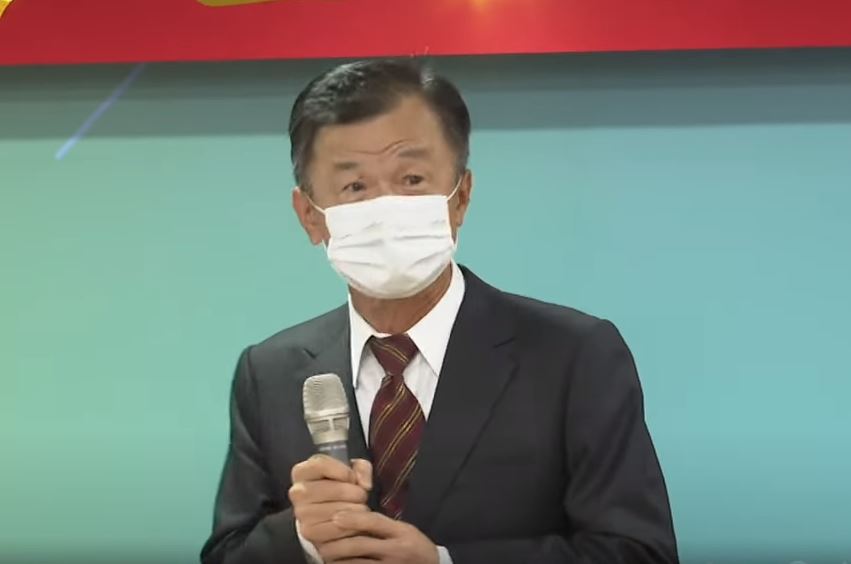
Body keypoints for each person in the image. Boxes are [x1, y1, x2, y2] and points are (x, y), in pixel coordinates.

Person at [200, 58, 678, 564]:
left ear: (461, 197)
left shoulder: (573, 356)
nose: (385, 209)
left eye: (411, 179)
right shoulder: (269, 372)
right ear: (309, 216)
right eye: (355, 187)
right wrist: (301, 535)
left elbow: (639, 553)